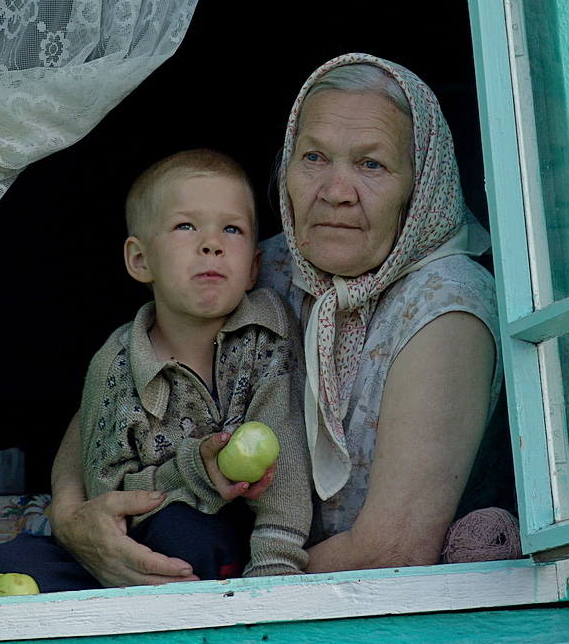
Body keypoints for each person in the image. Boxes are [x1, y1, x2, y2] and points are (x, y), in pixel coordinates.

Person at [48, 53, 503, 586]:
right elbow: (112, 392)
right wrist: (73, 519)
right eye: (314, 158)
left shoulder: (446, 308)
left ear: (419, 186)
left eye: (371, 164)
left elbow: (390, 551)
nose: (336, 191)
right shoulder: (260, 265)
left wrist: (218, 586)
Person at [0, 149, 311, 596]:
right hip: (127, 542)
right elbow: (108, 492)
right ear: (139, 260)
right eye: (186, 226)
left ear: (253, 269)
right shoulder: (116, 363)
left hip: (227, 543)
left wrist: (275, 571)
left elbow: (287, 455)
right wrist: (189, 471)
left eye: (232, 228)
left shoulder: (267, 334)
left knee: (184, 535)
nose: (212, 243)